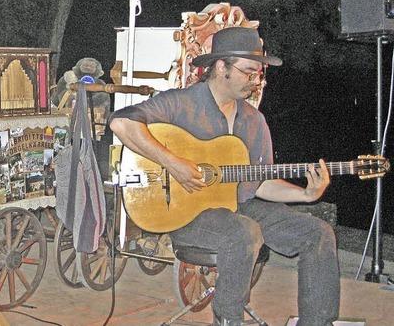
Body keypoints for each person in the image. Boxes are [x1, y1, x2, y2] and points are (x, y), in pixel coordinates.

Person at [109, 26, 340, 326]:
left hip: (241, 207)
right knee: (244, 232)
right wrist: (174, 163)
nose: (255, 80)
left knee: (318, 233)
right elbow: (121, 123)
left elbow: (260, 182)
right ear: (221, 67)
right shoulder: (182, 103)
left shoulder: (255, 120)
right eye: (248, 72)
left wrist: (305, 194)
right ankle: (228, 321)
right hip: (187, 215)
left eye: (258, 73)